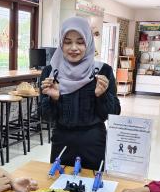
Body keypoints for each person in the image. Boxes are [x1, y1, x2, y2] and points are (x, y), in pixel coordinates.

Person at [40, 16, 121, 171]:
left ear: (88, 42)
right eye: (67, 42)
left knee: (94, 184)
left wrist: (102, 96)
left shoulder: (102, 71)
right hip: (62, 142)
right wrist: (54, 99)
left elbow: (114, 114)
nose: (74, 48)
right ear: (61, 44)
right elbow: (45, 117)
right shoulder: (51, 72)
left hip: (94, 143)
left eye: (80, 42)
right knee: (58, 184)